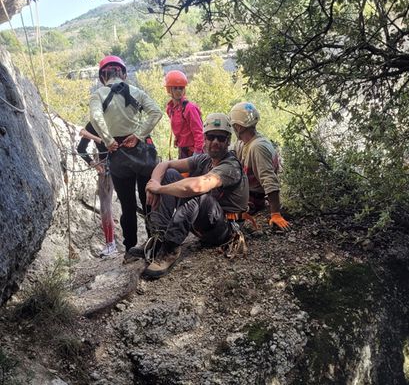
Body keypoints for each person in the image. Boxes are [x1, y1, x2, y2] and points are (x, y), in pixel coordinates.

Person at [142, 112, 249, 279]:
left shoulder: (230, 167)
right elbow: (165, 164)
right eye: (211, 137)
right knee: (169, 174)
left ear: (228, 141)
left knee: (200, 195)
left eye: (220, 138)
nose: (215, 142)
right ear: (205, 139)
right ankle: (159, 237)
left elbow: (198, 186)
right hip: (205, 220)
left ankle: (169, 249)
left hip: (224, 229)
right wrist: (154, 183)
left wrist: (159, 189)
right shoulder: (204, 160)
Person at [89, 55, 163, 263]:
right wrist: (139, 134)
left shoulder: (98, 95)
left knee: (127, 205)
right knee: (150, 200)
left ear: (103, 76)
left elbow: (95, 117)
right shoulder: (136, 92)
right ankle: (154, 245)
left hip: (118, 153)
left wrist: (108, 140)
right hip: (141, 150)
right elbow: (155, 112)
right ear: (122, 73)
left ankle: (130, 249)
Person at [229, 101, 290, 231]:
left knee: (222, 212)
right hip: (245, 192)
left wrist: (275, 213)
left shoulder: (258, 147)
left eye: (234, 125)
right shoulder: (243, 143)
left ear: (239, 127)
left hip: (253, 199)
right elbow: (232, 153)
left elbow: (269, 179)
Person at [77, 122, 117, 258]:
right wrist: (93, 163)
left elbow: (82, 147)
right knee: (105, 207)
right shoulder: (94, 124)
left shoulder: (110, 118)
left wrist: (91, 136)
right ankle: (110, 243)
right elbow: (81, 148)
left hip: (116, 163)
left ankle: (112, 244)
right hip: (107, 166)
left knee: (108, 206)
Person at [164, 69, 204, 158]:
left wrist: (197, 153)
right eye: (175, 88)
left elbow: (199, 132)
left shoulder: (189, 108)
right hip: (183, 149)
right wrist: (178, 139)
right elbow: (181, 128)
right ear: (169, 90)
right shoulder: (170, 109)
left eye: (181, 88)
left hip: (193, 151)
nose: (179, 91)